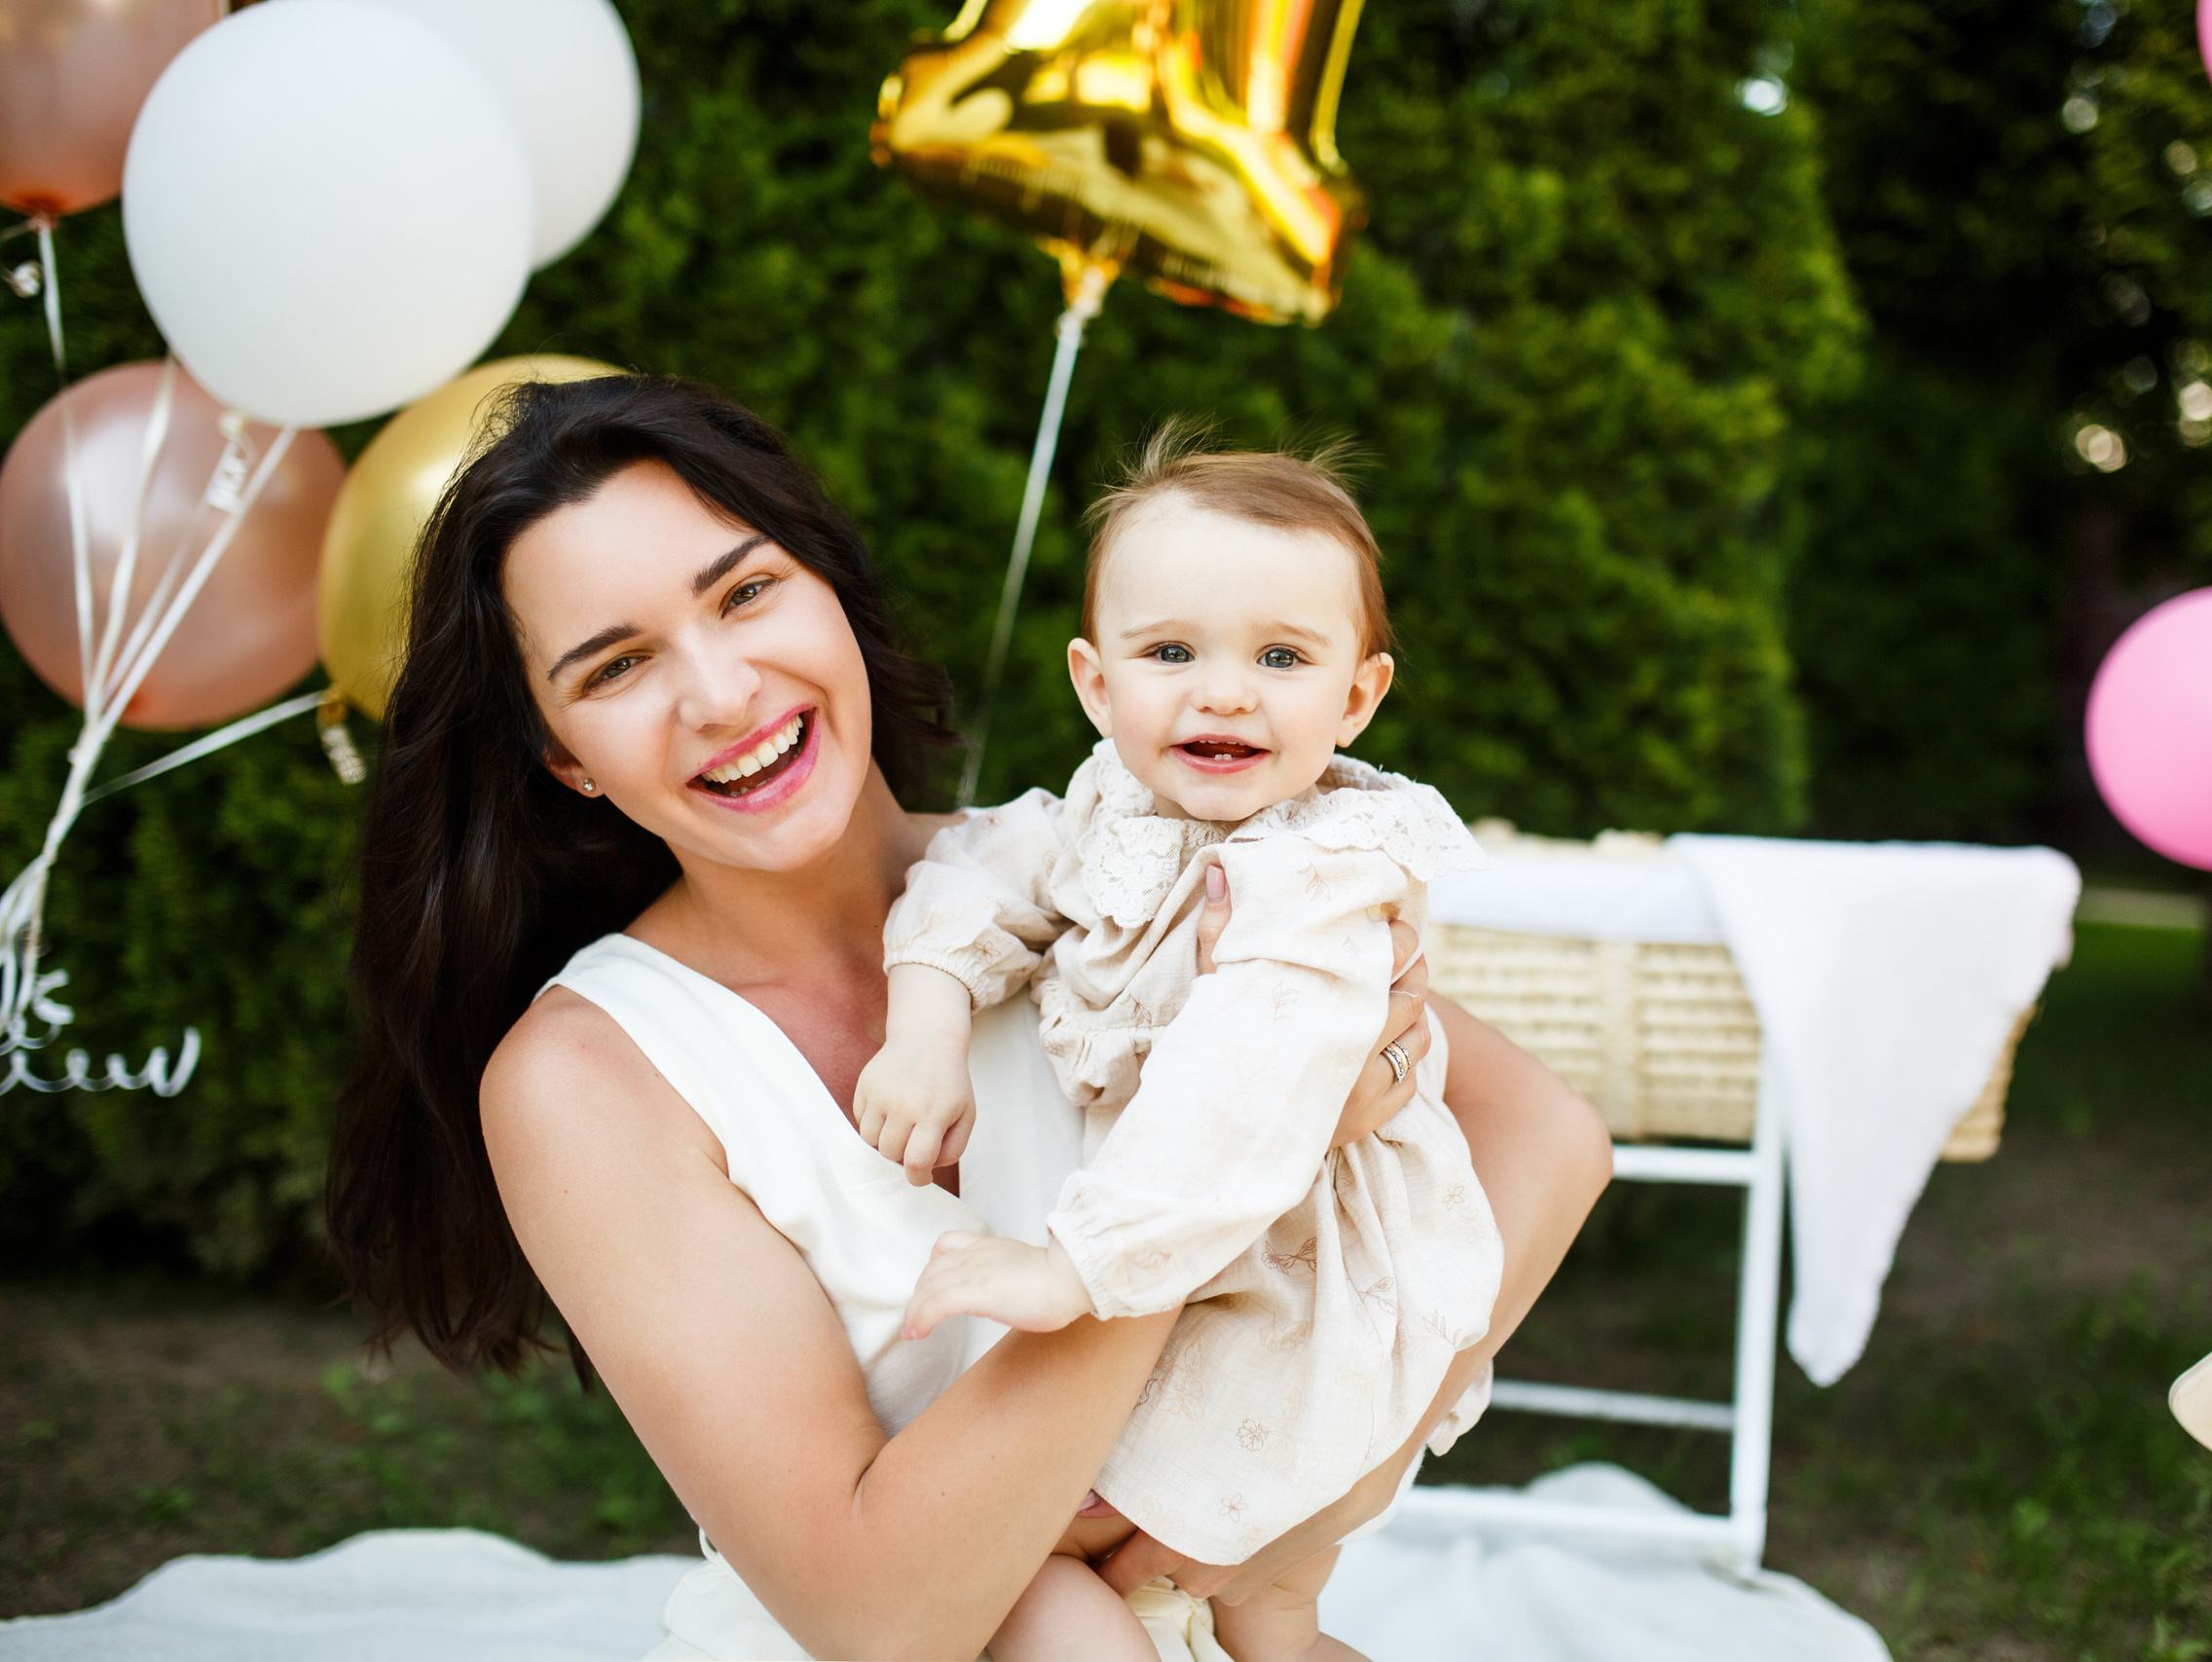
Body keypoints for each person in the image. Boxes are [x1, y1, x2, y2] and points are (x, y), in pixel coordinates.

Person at [324, 375, 1614, 1661]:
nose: (719, 692)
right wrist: (1226, 1175)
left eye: (747, 591)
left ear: (829, 587)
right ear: (563, 753)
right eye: (616, 665)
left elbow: (1545, 1140)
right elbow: (882, 1613)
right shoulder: (591, 1075)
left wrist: (1267, 1496)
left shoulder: (1108, 871)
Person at [856, 428, 1501, 1662]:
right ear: (1098, 687)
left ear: (1356, 695)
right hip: (1194, 1246)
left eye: (1279, 656)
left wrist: (1069, 1271)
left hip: (1304, 1278)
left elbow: (1240, 1092)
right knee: (1249, 1607)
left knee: (1096, 1544)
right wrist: (926, 1020)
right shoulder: (1113, 807)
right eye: (1170, 653)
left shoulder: (1319, 875)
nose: (1223, 691)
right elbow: (984, 869)